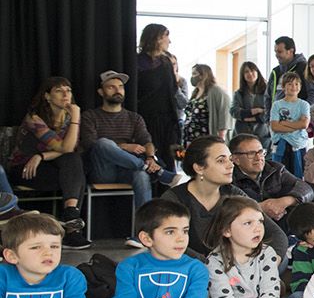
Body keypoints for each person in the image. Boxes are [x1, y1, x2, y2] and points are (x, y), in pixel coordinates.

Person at [163, 135, 289, 261]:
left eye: (230, 159)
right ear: (199, 168)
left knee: (279, 259)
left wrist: (270, 264)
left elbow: (276, 235)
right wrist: (212, 267)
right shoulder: (173, 200)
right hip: (192, 268)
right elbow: (169, 243)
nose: (231, 165)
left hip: (232, 266)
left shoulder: (233, 193)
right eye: (221, 161)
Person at [202, 195, 297, 298]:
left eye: (260, 221)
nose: (258, 228)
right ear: (226, 230)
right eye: (248, 223)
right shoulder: (214, 261)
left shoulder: (267, 253)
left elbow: (270, 287)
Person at [8, 76, 90, 248]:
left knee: (74, 165)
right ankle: (72, 230)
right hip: (24, 169)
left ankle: (71, 217)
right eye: (59, 91)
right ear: (47, 96)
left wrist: (42, 156)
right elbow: (64, 147)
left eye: (68, 90)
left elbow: (70, 149)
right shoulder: (34, 119)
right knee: (76, 175)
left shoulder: (69, 119)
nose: (65, 95)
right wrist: (76, 117)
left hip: (51, 167)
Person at [78, 70, 165, 215]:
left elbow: (147, 142)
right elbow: (90, 144)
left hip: (126, 170)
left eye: (120, 87)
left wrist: (150, 158)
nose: (117, 90)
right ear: (101, 92)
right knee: (103, 143)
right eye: (111, 87)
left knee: (142, 175)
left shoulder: (134, 118)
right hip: (103, 171)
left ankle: (145, 226)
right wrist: (123, 146)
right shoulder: (90, 116)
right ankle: (148, 168)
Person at [134, 23, 185, 170]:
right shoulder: (137, 62)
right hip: (146, 118)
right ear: (156, 38)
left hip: (168, 119)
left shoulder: (166, 62)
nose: (169, 41)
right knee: (150, 156)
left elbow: (172, 91)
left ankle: (170, 181)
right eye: (166, 36)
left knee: (170, 156)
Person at [229, 133, 313, 222]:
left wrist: (283, 202)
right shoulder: (228, 178)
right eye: (251, 154)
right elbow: (227, 210)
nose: (258, 158)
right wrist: (259, 208)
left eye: (260, 152)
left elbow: (306, 189)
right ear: (236, 159)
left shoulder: (275, 169)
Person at [268, 72, 312, 177]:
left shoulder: (304, 105)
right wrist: (295, 125)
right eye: (290, 84)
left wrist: (284, 123)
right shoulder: (277, 105)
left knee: (298, 176)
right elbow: (275, 126)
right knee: (280, 176)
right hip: (281, 144)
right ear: (283, 87)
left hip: (298, 145)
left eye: (296, 84)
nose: (294, 87)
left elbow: (304, 125)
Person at [266, 36, 314, 108]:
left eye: (280, 52)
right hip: (276, 114)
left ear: (291, 51)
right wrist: (269, 114)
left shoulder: (304, 68)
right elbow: (268, 97)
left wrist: (301, 111)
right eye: (275, 52)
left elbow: (313, 95)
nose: (276, 55)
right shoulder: (275, 71)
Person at [231, 61, 271, 147]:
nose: (250, 73)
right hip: (242, 134)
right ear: (243, 75)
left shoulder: (267, 91)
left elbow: (269, 112)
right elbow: (234, 111)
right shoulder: (239, 93)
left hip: (262, 134)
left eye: (252, 70)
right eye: (246, 72)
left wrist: (248, 117)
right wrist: (256, 111)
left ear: (257, 72)